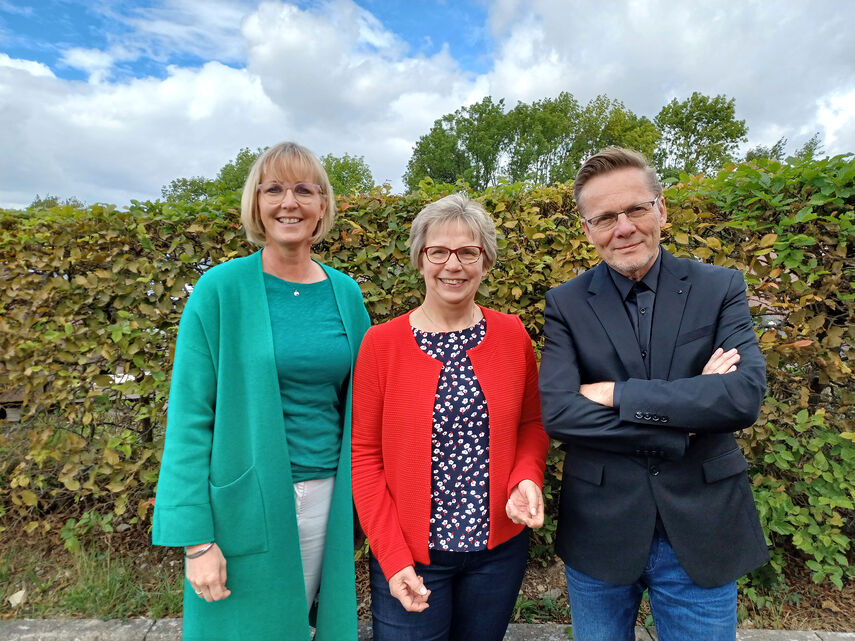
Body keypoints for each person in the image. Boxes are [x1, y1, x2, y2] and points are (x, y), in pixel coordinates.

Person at [539, 146, 769, 641]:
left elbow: (743, 396)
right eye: (604, 217)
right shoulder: (565, 304)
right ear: (587, 230)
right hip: (600, 529)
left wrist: (619, 393)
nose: (622, 228)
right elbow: (559, 412)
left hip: (702, 526)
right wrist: (683, 417)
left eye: (636, 209)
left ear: (661, 209)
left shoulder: (719, 287)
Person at [152, 141, 370, 641]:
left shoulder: (346, 294)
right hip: (241, 509)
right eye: (273, 189)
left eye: (303, 190)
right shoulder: (220, 290)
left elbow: (365, 404)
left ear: (322, 206)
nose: (288, 202)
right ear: (256, 204)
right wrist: (195, 542)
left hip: (325, 501)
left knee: (306, 627)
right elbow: (189, 419)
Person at [351, 193, 549, 641]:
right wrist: (392, 556)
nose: (452, 265)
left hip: (497, 552)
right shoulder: (381, 345)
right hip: (412, 556)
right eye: (438, 251)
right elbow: (363, 458)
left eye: (467, 252)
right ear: (420, 259)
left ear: (485, 261)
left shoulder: (512, 334)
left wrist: (526, 477)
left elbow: (531, 425)